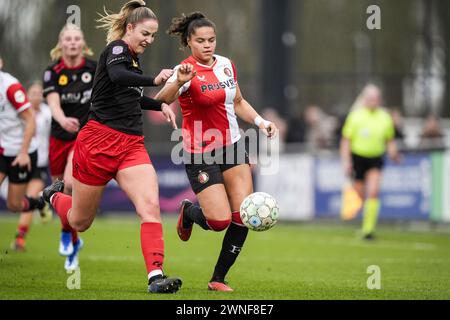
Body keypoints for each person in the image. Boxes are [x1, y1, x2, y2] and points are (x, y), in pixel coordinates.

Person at [41, 0, 181, 293]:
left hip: (131, 145)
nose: (149, 40)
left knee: (150, 206)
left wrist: (159, 104)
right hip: (98, 143)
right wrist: (154, 80)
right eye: (145, 33)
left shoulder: (131, 59)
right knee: (80, 221)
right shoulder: (117, 50)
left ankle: (155, 277)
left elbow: (130, 95)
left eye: (153, 35)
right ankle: (53, 196)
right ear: (130, 28)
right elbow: (118, 77)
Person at [155, 12, 278, 292]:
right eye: (200, 41)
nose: (207, 45)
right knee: (219, 221)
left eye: (211, 40)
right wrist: (177, 82)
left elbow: (238, 101)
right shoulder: (184, 70)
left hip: (233, 146)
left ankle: (218, 279)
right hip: (200, 153)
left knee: (243, 215)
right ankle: (189, 212)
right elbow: (161, 100)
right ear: (189, 41)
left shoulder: (226, 65)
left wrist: (261, 122)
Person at [43, 23, 97, 262]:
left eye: (77, 38)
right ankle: (74, 241)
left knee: (68, 185)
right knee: (59, 190)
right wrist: (62, 118)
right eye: (69, 39)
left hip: (83, 137)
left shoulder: (94, 69)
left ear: (83, 44)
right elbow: (53, 103)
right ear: (61, 44)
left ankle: (66, 234)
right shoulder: (52, 71)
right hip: (58, 138)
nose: (73, 42)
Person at [340, 84, 401, 240]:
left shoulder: (385, 117)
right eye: (370, 99)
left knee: (373, 192)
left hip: (375, 159)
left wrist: (394, 153)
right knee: (361, 196)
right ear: (365, 100)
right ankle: (364, 220)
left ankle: (368, 230)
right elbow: (346, 141)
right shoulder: (355, 116)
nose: (374, 101)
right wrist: (346, 161)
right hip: (358, 159)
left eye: (376, 99)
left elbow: (390, 140)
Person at [0, 57, 47, 225]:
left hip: (22, 153)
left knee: (14, 205)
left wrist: (23, 153)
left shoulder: (10, 87)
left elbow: (31, 120)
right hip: (2, 150)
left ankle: (40, 203)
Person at [11, 82, 52, 251]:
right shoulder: (19, 113)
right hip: (18, 161)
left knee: (30, 194)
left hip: (39, 163)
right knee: (16, 203)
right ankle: (41, 204)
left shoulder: (48, 113)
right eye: (32, 93)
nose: (36, 96)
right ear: (27, 95)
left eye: (39, 93)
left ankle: (20, 238)